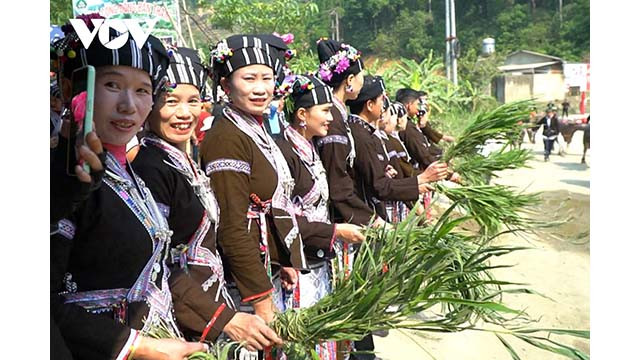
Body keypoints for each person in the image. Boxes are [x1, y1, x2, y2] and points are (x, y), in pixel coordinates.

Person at [51, 19, 208, 359]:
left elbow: (162, 270)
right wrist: (135, 346)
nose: (128, 105)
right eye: (111, 85)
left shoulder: (131, 173)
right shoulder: (61, 180)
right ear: (72, 88)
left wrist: (224, 319)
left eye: (142, 90)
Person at [132, 47, 282, 352]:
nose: (184, 113)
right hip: (182, 315)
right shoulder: (149, 166)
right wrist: (225, 318)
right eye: (170, 101)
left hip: (208, 301)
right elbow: (159, 263)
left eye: (193, 101)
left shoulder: (181, 160)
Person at [200, 34, 306, 329]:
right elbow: (231, 226)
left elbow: (267, 205)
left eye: (267, 78)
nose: (260, 89)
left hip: (261, 268)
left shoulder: (253, 129)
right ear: (225, 85)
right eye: (249, 79)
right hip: (241, 285)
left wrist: (280, 259)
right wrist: (261, 299)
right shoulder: (227, 139)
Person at [275, 74, 366, 359]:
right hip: (297, 267)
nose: (330, 118)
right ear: (302, 114)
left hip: (318, 259)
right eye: (325, 111)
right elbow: (282, 216)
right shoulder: (282, 152)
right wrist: (335, 232)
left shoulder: (311, 148)